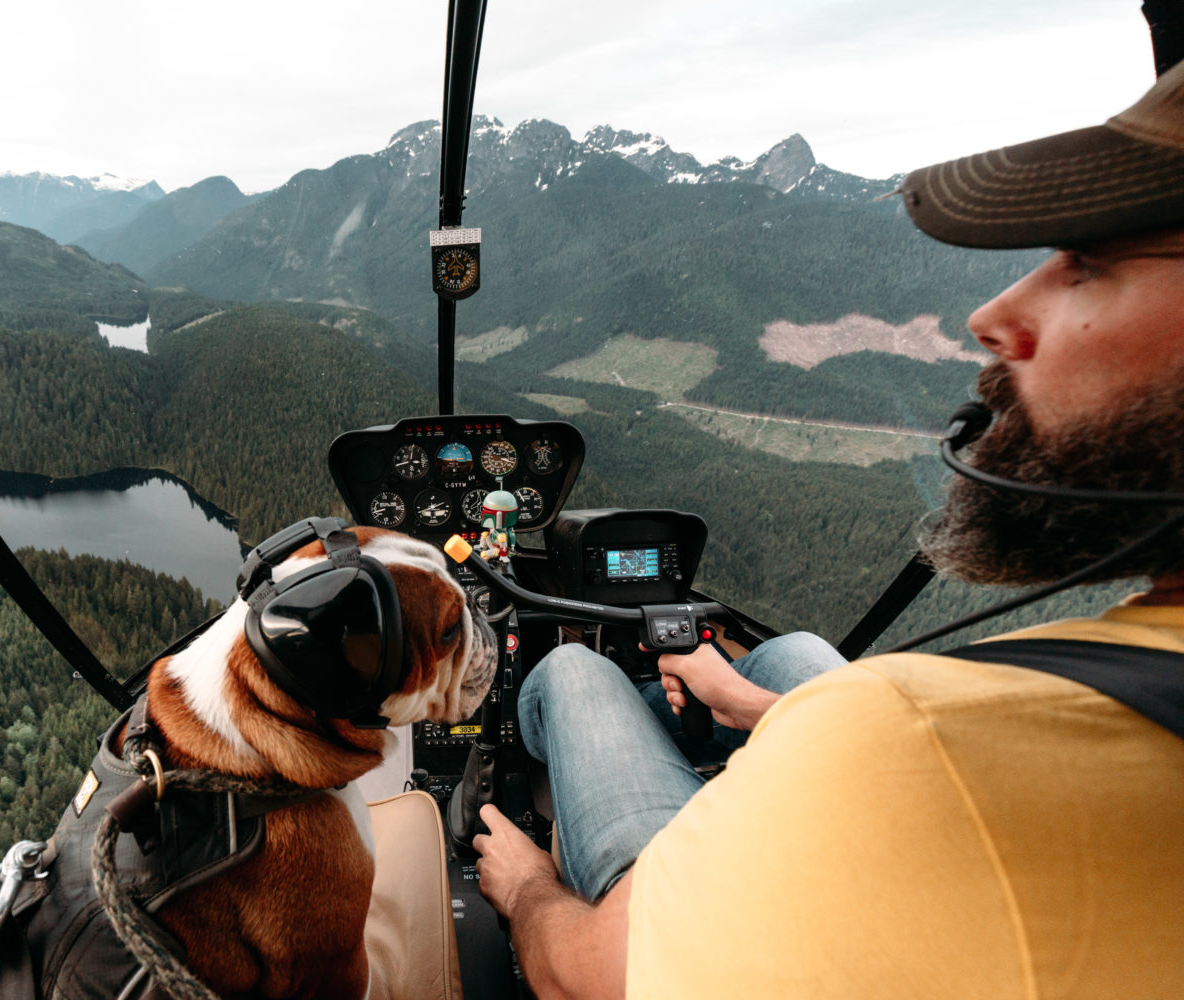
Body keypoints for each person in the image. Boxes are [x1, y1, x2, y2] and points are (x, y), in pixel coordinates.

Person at [473, 57, 1184, 998]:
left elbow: (591, 975)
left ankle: (591, 749)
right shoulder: (936, 721)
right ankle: (713, 705)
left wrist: (527, 890)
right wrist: (761, 709)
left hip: (680, 904)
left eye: (1088, 264)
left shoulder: (909, 736)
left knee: (572, 670)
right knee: (798, 650)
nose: (991, 314)